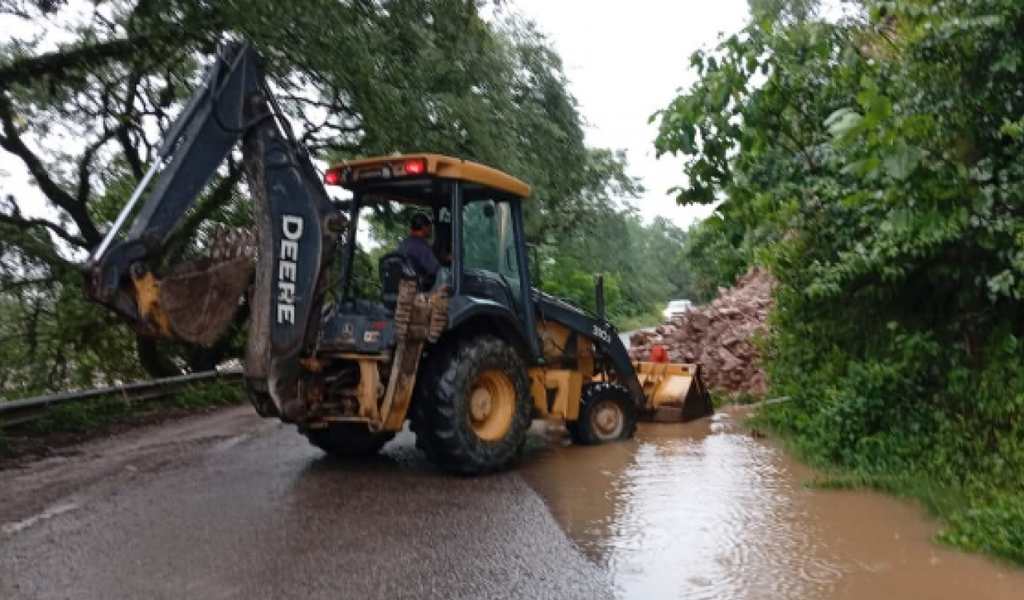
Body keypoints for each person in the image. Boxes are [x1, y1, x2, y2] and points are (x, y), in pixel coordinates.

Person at [397, 212, 441, 286]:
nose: (431, 229)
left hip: (403, 288)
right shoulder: (421, 245)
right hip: (418, 289)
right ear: (424, 227)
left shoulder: (403, 243)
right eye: (430, 226)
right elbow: (436, 270)